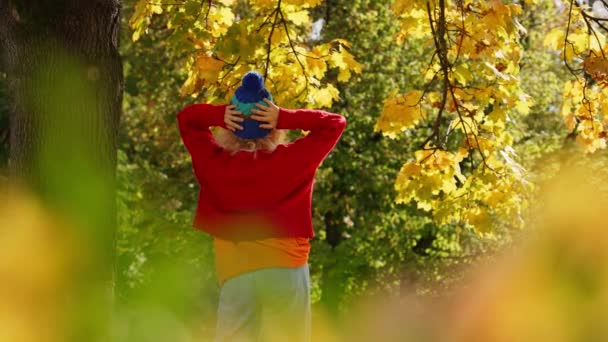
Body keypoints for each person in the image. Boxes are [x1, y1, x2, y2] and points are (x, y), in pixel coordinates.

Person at [177, 71, 346, 342]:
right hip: (286, 267)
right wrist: (284, 116)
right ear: (274, 128)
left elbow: (187, 120)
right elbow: (335, 123)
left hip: (236, 272)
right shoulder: (292, 160)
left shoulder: (215, 162)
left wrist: (220, 114)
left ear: (229, 127)